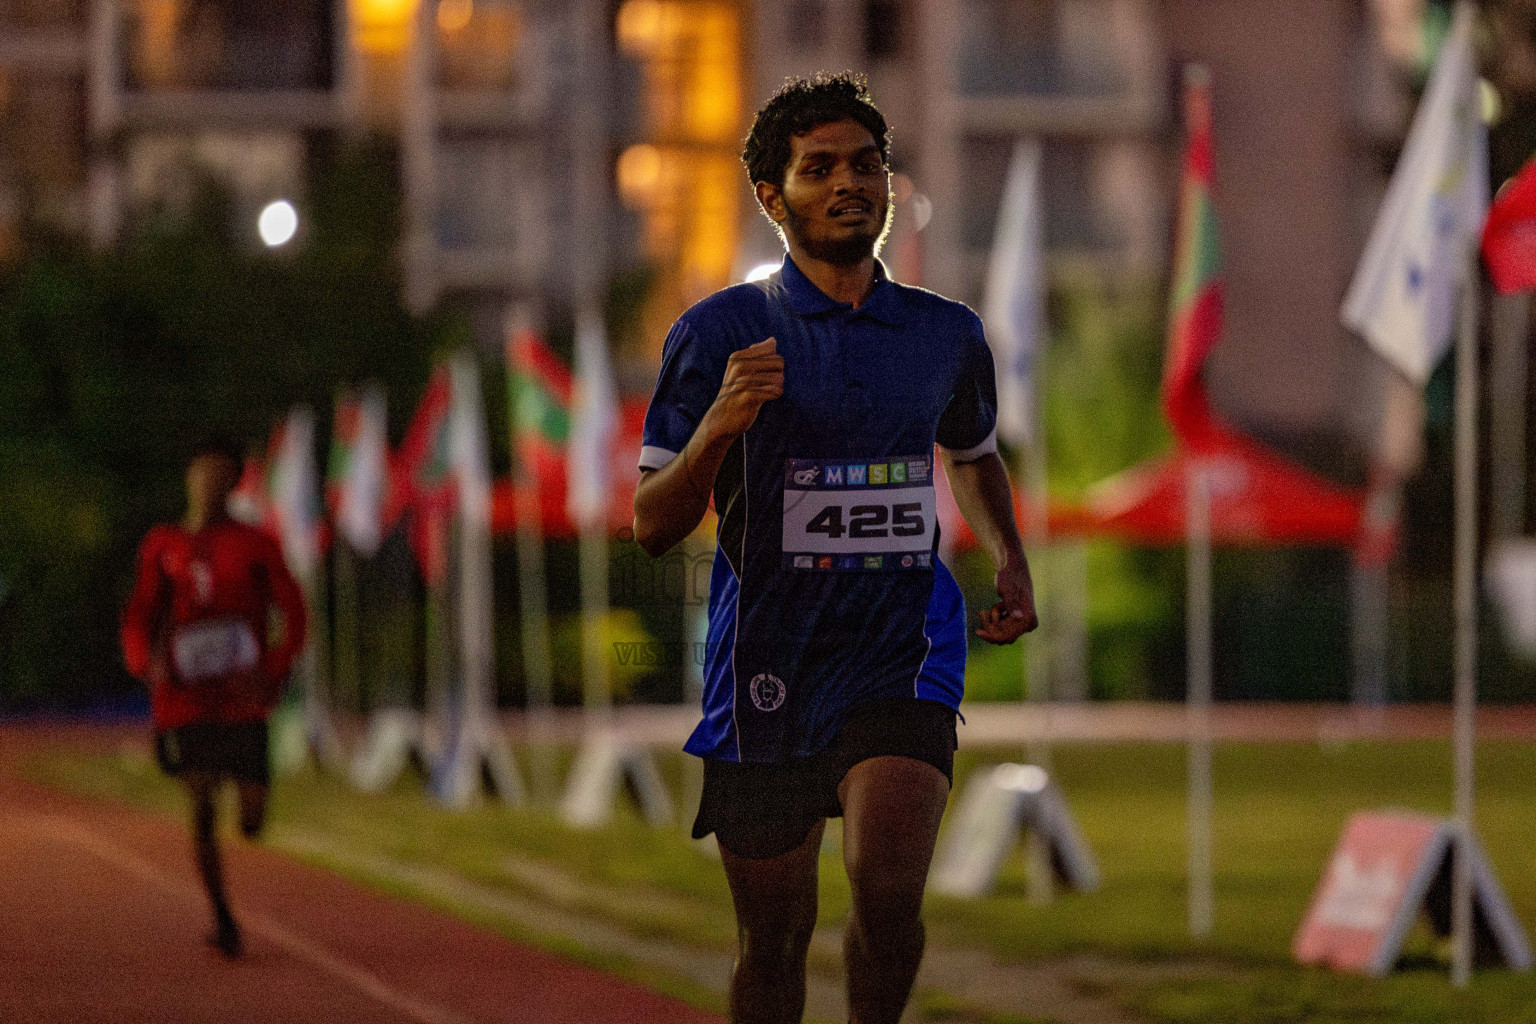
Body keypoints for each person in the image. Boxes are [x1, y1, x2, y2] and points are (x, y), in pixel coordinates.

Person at [633, 73, 1037, 1024]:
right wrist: (718, 425)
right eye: (820, 169)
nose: (851, 183)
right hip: (764, 662)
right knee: (771, 939)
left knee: (886, 887)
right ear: (773, 199)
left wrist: (1010, 557)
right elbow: (652, 523)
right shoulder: (717, 334)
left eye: (867, 164)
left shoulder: (945, 334)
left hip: (903, 649)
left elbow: (973, 454)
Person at [122, 435, 307, 957]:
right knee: (201, 801)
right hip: (187, 698)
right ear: (190, 479)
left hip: (243, 698)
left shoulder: (255, 544)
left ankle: (252, 803)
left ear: (234, 485)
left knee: (250, 819)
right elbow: (142, 611)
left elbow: (293, 611)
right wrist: (144, 660)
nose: (210, 486)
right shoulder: (163, 545)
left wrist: (273, 664)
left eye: (222, 478)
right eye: (203, 475)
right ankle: (223, 917)